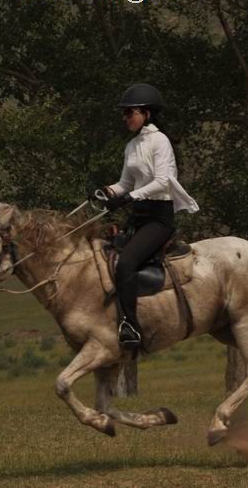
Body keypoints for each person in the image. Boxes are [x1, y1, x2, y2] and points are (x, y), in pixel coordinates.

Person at [97, 83, 199, 349]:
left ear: (147, 113)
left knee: (126, 263)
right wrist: (106, 191)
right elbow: (124, 183)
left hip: (158, 218)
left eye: (129, 112)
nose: (125, 118)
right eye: (124, 113)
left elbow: (163, 181)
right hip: (139, 217)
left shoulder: (160, 141)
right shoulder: (131, 146)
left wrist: (130, 197)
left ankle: (131, 326)